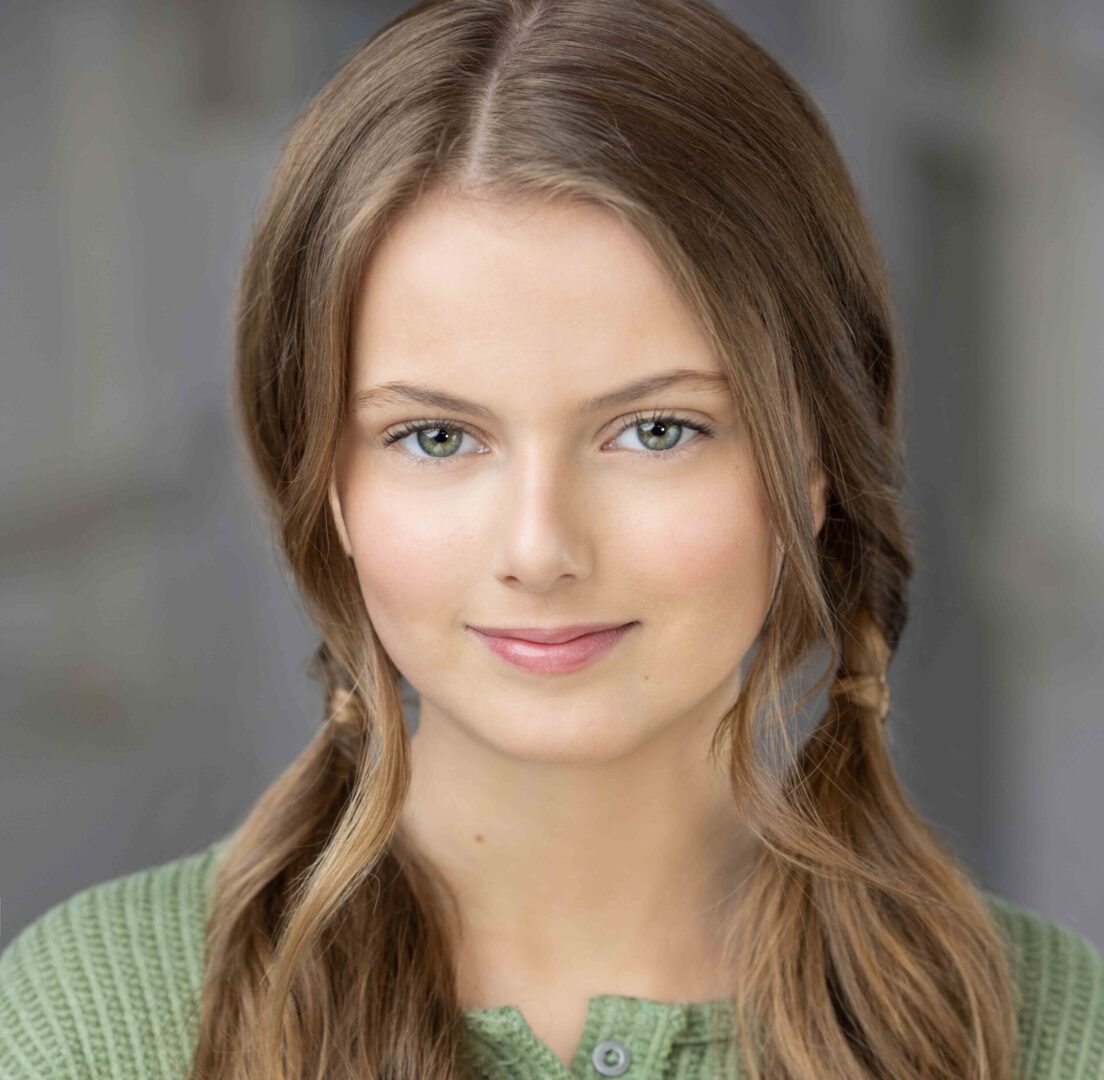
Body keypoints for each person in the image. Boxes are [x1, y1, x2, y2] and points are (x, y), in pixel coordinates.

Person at [2, 0, 1102, 1077]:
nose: (540, 549)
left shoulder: (1047, 1034)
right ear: (324, 479)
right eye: (435, 436)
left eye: (655, 429)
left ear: (811, 461)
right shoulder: (97, 1027)